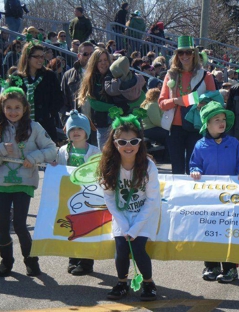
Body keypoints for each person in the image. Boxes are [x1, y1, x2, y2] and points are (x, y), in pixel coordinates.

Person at [98, 110, 160, 301]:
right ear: (115, 143)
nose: (128, 146)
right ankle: (121, 283)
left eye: (133, 141)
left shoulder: (148, 166)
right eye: (122, 142)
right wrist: (124, 225)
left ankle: (149, 284)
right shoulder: (108, 165)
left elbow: (152, 200)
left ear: (140, 143)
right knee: (121, 248)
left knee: (138, 246)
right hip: (122, 214)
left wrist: (135, 229)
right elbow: (108, 196)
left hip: (145, 213)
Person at [189, 101, 239, 283]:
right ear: (207, 124)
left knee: (229, 232)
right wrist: (195, 171)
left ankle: (231, 269)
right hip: (209, 198)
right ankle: (212, 265)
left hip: (230, 197)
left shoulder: (233, 143)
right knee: (209, 231)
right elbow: (194, 164)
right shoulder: (200, 146)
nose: (221, 122)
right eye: (216, 119)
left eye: (223, 119)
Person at [0, 87, 57, 277]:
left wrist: (33, 158)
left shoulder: (35, 127)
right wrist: (1, 149)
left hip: (24, 183)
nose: (13, 112)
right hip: (2, 184)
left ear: (25, 108)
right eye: (8, 107)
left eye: (17, 107)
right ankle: (6, 261)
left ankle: (31, 260)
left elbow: (52, 149)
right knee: (1, 225)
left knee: (19, 225)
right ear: (2, 107)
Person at [158, 35, 216, 174]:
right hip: (175, 128)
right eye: (181, 52)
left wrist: (203, 104)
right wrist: (176, 101)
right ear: (177, 55)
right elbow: (161, 103)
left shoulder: (205, 76)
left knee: (194, 169)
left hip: (195, 127)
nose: (185, 56)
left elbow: (214, 101)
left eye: (188, 52)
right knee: (177, 169)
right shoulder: (170, 75)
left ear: (194, 54)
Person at [53, 110, 100, 275]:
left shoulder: (95, 152)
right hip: (69, 195)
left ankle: (86, 262)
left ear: (86, 132)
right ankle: (73, 259)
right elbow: (58, 170)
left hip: (88, 196)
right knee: (71, 226)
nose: (76, 132)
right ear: (67, 132)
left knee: (86, 227)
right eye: (72, 129)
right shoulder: (62, 151)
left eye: (80, 129)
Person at [9, 40, 63, 144]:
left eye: (42, 57)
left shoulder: (49, 76)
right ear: (27, 57)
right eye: (37, 56)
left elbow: (59, 98)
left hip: (45, 125)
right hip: (22, 125)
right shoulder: (16, 77)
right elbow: (10, 99)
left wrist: (49, 113)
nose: (40, 60)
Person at [78, 48, 113, 149]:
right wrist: (116, 106)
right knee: (104, 155)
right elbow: (95, 104)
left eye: (105, 60)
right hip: (102, 124)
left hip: (117, 122)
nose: (103, 63)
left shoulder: (115, 76)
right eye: (100, 61)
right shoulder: (90, 79)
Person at [61, 41, 94, 124]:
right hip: (77, 122)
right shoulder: (68, 75)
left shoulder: (101, 73)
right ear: (79, 56)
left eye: (92, 54)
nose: (89, 57)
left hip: (97, 124)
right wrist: (66, 121)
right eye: (85, 54)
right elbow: (63, 101)